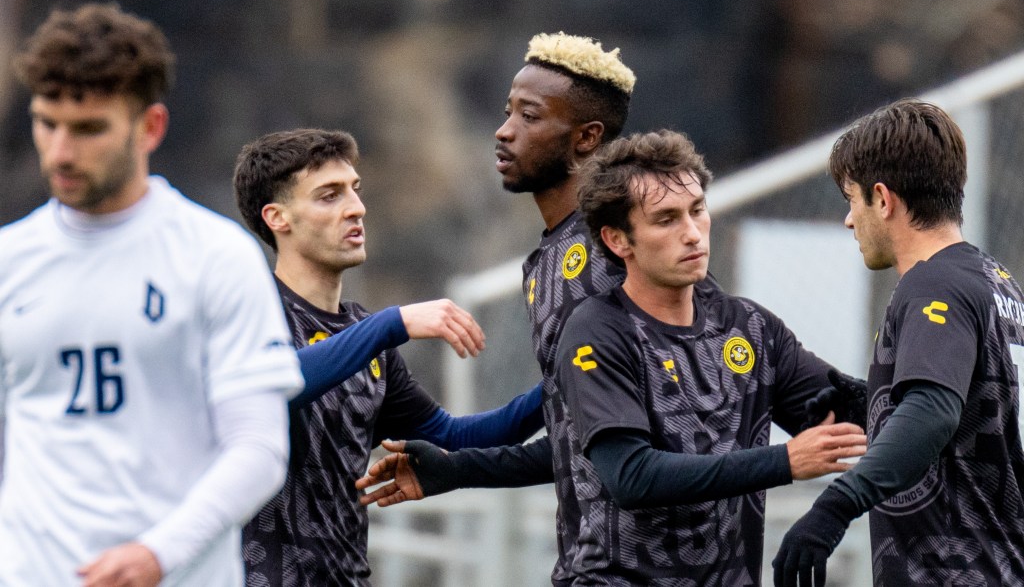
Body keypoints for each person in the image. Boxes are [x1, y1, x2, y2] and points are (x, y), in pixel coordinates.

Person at [359, 129, 869, 584]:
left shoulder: (750, 329)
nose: (692, 232)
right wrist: (785, 461)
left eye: (697, 210)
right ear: (617, 239)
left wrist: (927, 375)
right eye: (666, 219)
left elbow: (858, 410)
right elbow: (629, 474)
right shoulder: (596, 332)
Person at [0, 3, 305, 586]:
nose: (60, 151)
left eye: (89, 128)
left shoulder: (214, 256)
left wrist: (157, 553)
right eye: (46, 123)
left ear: (150, 128)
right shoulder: (9, 260)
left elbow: (259, 448)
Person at [231, 128, 545, 585]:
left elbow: (453, 437)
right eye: (328, 196)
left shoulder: (368, 340)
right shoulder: (245, 311)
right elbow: (275, 387)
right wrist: (391, 324)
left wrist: (560, 383)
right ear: (278, 218)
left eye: (354, 190)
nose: (356, 207)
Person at [773, 99, 1024, 586]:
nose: (850, 221)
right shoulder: (998, 284)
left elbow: (933, 410)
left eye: (851, 199)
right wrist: (869, 404)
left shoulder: (933, 286)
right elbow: (975, 418)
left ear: (883, 200)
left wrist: (834, 507)